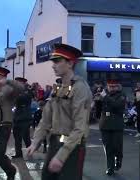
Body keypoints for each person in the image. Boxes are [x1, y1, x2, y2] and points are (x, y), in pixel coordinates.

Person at [26, 44, 92, 180]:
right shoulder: (58, 88)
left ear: (70, 63)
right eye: (53, 61)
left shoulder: (80, 88)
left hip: (72, 147)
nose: (53, 65)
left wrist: (61, 156)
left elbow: (80, 128)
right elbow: (45, 120)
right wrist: (35, 141)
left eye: (57, 61)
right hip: (55, 144)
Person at [97, 79, 126, 176]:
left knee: (117, 146)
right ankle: (110, 167)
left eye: (114, 86)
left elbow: (116, 105)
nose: (112, 88)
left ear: (118, 87)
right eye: (110, 86)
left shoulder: (121, 95)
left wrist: (105, 97)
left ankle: (118, 159)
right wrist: (98, 99)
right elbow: (98, 109)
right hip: (105, 124)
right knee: (108, 147)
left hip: (116, 124)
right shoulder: (104, 95)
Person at [12, 77, 32, 159]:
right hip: (16, 117)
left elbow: (22, 99)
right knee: (17, 137)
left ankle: (30, 152)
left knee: (26, 137)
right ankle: (18, 153)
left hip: (24, 118)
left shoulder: (27, 91)